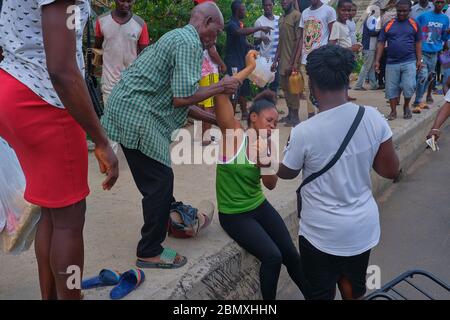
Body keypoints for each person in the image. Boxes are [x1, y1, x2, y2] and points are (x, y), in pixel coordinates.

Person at [101, 2, 241, 269]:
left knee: (155, 181)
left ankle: (169, 216)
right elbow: (181, 98)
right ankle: (149, 251)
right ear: (207, 21)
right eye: (217, 31)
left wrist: (217, 120)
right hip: (138, 114)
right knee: (160, 181)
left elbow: (181, 98)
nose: (217, 38)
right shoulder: (189, 43)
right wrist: (221, 86)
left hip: (129, 109)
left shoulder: (181, 37)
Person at [0, 0, 119, 300]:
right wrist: (102, 141)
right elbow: (62, 69)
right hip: (47, 102)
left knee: (53, 214)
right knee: (70, 219)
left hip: (15, 88)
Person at [278, 45, 400, 300]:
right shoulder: (373, 117)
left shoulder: (304, 131)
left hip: (320, 233)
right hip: (361, 230)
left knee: (320, 292)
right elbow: (390, 170)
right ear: (347, 78)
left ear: (312, 82)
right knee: (353, 288)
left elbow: (286, 173)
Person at [214, 50, 309, 300]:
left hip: (258, 205)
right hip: (233, 214)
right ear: (253, 118)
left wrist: (265, 162)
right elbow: (223, 92)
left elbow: (270, 185)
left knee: (290, 254)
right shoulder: (233, 135)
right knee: (273, 256)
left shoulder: (267, 144)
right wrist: (249, 67)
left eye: (276, 122)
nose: (272, 126)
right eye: (269, 120)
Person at [95, 0, 150, 105]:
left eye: (129, 1)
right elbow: (97, 48)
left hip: (131, 84)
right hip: (108, 83)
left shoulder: (140, 24)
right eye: (122, 0)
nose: (125, 5)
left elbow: (145, 56)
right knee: (109, 116)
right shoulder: (102, 20)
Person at [374, 0, 423, 121]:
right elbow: (380, 43)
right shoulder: (389, 24)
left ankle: (406, 106)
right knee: (391, 88)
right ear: (396, 10)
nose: (401, 13)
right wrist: (377, 61)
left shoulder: (414, 24)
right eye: (399, 10)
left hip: (409, 61)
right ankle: (393, 111)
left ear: (409, 11)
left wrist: (419, 59)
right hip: (391, 62)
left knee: (409, 85)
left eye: (404, 11)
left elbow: (418, 42)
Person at [225, 0, 272, 118]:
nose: (245, 11)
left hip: (242, 61)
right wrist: (259, 29)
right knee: (235, 87)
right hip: (233, 62)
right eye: (243, 9)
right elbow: (239, 33)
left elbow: (242, 39)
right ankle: (230, 115)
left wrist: (251, 46)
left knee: (244, 85)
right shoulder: (231, 24)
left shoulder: (239, 23)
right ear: (237, 11)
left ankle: (245, 113)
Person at [293, 0, 337, 118]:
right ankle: (311, 115)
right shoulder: (305, 13)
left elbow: (333, 37)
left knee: (322, 87)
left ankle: (323, 114)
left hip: (320, 59)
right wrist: (296, 60)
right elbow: (302, 38)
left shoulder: (329, 11)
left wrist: (327, 56)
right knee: (308, 90)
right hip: (305, 60)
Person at [412, 0, 449, 113]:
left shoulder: (445, 19)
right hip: (422, 51)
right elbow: (414, 29)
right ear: (433, 3)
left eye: (441, 2)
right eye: (437, 2)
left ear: (444, 4)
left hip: (435, 53)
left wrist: (447, 33)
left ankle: (420, 99)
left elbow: (443, 37)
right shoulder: (424, 16)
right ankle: (417, 101)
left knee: (429, 76)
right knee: (422, 76)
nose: (439, 4)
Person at [271, 0, 303, 126]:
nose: (283, 1)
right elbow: (281, 41)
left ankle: (296, 117)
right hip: (283, 61)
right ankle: (290, 115)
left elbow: (299, 40)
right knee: (285, 88)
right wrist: (275, 60)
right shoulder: (281, 18)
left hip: (292, 61)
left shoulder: (297, 16)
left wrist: (293, 63)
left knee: (293, 89)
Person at [254, 0, 280, 94]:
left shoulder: (279, 19)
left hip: (277, 59)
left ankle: (273, 107)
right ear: (263, 6)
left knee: (275, 86)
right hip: (264, 60)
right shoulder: (259, 21)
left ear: (273, 5)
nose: (268, 7)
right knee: (262, 87)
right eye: (266, 5)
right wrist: (261, 37)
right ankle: (263, 107)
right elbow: (255, 42)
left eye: (270, 5)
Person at [355, 5, 381, 91]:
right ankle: (358, 85)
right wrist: (380, 31)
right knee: (366, 66)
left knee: (370, 67)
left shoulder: (370, 18)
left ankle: (374, 85)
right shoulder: (372, 19)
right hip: (369, 46)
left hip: (369, 46)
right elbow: (372, 32)